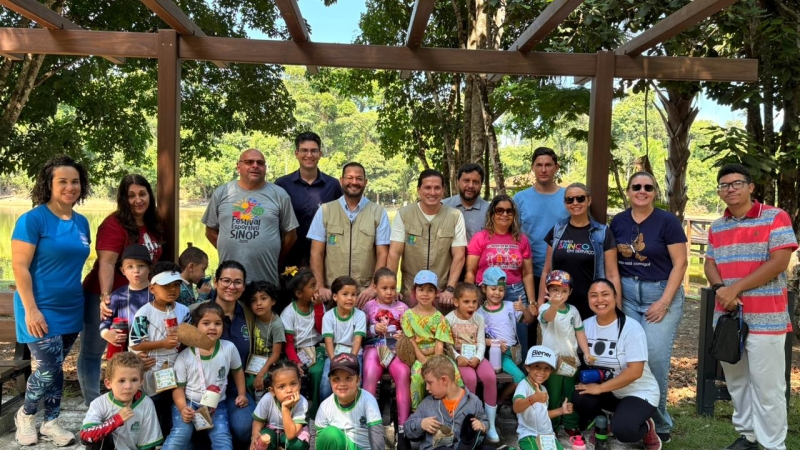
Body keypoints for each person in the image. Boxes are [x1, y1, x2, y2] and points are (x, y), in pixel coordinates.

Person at [704, 164, 797, 450]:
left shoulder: (775, 217)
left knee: (768, 388)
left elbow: (779, 262)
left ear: (750, 187)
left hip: (767, 318)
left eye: (736, 183)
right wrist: (721, 290)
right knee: (737, 382)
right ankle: (748, 436)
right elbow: (710, 263)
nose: (730, 189)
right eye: (724, 185)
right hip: (729, 317)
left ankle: (772, 445)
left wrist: (736, 288)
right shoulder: (718, 226)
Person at [12, 155, 92, 446]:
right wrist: (31, 310)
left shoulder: (82, 223)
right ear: (49, 184)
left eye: (75, 181)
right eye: (63, 181)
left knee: (56, 366)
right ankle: (26, 415)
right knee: (46, 368)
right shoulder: (32, 220)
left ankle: (51, 422)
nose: (70, 187)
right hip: (38, 307)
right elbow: (20, 267)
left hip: (72, 306)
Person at [610, 171, 688, 443]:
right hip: (629, 294)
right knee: (627, 357)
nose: (642, 191)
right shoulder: (618, 222)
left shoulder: (667, 221)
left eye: (648, 187)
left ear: (655, 192)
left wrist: (664, 302)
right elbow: (613, 266)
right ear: (629, 192)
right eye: (636, 187)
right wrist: (617, 303)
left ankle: (661, 421)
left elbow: (681, 263)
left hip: (660, 292)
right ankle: (632, 414)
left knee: (654, 358)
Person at [81, 174, 163, 405]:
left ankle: (135, 401)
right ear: (123, 199)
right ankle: (94, 403)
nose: (138, 200)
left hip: (139, 297)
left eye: (142, 194)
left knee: (132, 349)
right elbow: (107, 263)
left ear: (150, 195)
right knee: (94, 350)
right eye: (131, 195)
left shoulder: (154, 224)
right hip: (107, 295)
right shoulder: (113, 225)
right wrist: (105, 298)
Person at [571, 279, 661, 450]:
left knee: (625, 431)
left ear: (615, 296)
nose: (600, 300)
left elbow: (635, 372)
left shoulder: (631, 328)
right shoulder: (585, 326)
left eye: (605, 294)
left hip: (638, 392)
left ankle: (647, 426)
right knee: (579, 397)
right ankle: (604, 421)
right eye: (594, 295)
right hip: (610, 391)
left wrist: (598, 389)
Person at [202, 148, 299, 286]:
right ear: (238, 167)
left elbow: (291, 235)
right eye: (249, 162)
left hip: (266, 279)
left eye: (260, 163)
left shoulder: (279, 195)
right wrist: (231, 249)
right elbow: (210, 232)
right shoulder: (222, 192)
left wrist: (275, 257)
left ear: (265, 168)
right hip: (230, 281)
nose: (255, 166)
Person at [162, 302, 247, 450]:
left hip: (216, 405)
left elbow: (237, 371)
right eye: (206, 323)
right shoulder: (185, 356)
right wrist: (182, 408)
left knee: (222, 439)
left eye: (218, 323)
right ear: (195, 326)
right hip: (189, 403)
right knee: (180, 435)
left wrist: (242, 394)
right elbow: (178, 388)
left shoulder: (228, 348)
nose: (212, 327)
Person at [307, 162, 390, 305]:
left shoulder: (378, 213)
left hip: (364, 295)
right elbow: (316, 253)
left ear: (365, 182)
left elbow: (383, 254)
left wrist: (373, 287)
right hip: (333, 293)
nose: (354, 182)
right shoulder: (325, 211)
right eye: (349, 178)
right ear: (341, 180)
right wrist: (320, 287)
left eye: (359, 178)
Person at [514, 147, 569, 349]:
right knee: (529, 326)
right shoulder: (520, 199)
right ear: (533, 168)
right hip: (528, 273)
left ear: (556, 167)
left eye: (548, 165)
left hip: (560, 274)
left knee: (558, 326)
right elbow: (514, 235)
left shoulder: (568, 197)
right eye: (539, 165)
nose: (543, 169)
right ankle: (530, 374)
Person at [466, 194, 536, 352]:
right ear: (492, 213)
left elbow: (528, 273)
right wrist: (470, 297)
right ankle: (489, 373)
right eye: (499, 210)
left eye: (509, 211)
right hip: (485, 291)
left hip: (514, 291)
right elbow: (471, 271)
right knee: (484, 334)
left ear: (514, 215)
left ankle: (520, 372)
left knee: (519, 337)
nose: (505, 214)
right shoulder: (480, 238)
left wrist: (531, 303)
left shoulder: (521, 239)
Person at [540, 182, 621, 320]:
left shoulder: (602, 233)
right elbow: (547, 271)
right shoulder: (557, 231)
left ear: (589, 200)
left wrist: (617, 311)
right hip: (559, 305)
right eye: (570, 199)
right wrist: (541, 304)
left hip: (592, 305)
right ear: (565, 203)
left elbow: (612, 275)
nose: (575, 203)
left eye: (580, 198)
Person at [388, 169, 467, 307]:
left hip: (441, 295)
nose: (432, 192)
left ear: (443, 190)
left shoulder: (455, 216)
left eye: (437, 188)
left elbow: (459, 255)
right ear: (419, 190)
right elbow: (394, 253)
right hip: (410, 293)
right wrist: (391, 288)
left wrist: (450, 289)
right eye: (427, 188)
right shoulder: (404, 214)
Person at [129, 262, 191, 437]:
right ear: (152, 288)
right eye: (166, 286)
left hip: (178, 369)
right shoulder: (144, 313)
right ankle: (152, 440)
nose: (172, 290)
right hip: (154, 368)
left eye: (176, 285)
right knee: (155, 406)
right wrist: (162, 344)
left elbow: (188, 339)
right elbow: (136, 343)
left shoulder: (183, 311)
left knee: (174, 407)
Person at [276, 132, 343, 269]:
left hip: (324, 260)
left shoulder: (333, 185)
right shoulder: (282, 185)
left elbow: (341, 222)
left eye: (314, 151)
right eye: (304, 150)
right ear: (296, 153)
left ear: (320, 154)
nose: (309, 155)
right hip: (289, 259)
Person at [360, 268, 412, 448]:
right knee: (370, 373)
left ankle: (403, 429)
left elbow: (409, 333)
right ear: (375, 287)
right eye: (384, 288)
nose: (389, 292)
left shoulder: (403, 308)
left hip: (395, 350)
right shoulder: (369, 307)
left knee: (404, 372)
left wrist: (402, 336)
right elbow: (361, 332)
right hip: (374, 348)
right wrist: (374, 329)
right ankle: (369, 426)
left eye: (392, 288)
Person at [209, 260, 258, 446]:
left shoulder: (250, 314)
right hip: (204, 387)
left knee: (244, 427)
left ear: (244, 286)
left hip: (237, 388)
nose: (231, 286)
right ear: (216, 282)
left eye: (238, 282)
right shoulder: (199, 314)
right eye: (226, 281)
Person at [538, 270, 592, 437]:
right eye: (555, 290)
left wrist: (586, 352)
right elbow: (548, 317)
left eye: (563, 291)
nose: (559, 295)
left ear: (570, 292)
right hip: (551, 362)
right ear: (547, 290)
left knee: (570, 393)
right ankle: (552, 424)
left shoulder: (573, 311)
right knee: (553, 394)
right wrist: (553, 304)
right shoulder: (545, 308)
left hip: (570, 361)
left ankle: (570, 423)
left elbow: (580, 332)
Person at [445, 283, 498, 443]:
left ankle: (490, 424)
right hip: (459, 358)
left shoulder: (479, 318)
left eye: (474, 302)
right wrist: (457, 357)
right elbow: (447, 344)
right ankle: (469, 421)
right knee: (470, 380)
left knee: (489, 377)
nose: (471, 305)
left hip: (476, 356)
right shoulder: (448, 319)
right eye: (466, 302)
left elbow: (481, 342)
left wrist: (478, 357)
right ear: (456, 302)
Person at [79, 352, 164, 450]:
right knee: (96, 439)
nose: (128, 386)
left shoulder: (146, 403)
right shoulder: (99, 403)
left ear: (141, 381)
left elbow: (148, 444)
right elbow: (85, 437)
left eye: (134, 380)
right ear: (108, 383)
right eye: (122, 381)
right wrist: (116, 420)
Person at [404, 355, 491, 450]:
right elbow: (407, 428)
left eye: (430, 383)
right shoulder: (427, 403)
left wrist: (482, 426)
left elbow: (484, 422)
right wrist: (421, 424)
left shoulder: (473, 401)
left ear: (444, 380)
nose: (427, 388)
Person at [477, 267, 534, 406]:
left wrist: (524, 309)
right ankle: (499, 400)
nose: (497, 293)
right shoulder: (479, 313)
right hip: (498, 354)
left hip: (515, 351)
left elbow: (529, 320)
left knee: (522, 376)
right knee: (520, 378)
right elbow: (475, 337)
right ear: (484, 289)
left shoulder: (510, 306)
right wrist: (492, 342)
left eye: (501, 290)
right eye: (493, 289)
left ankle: (503, 399)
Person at [401, 270, 457, 410]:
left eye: (430, 290)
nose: (425, 294)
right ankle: (417, 412)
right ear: (415, 292)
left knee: (452, 374)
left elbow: (439, 345)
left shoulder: (440, 318)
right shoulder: (407, 317)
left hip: (438, 358)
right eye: (421, 289)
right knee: (418, 377)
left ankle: (450, 409)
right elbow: (412, 343)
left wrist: (435, 365)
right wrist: (425, 362)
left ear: (436, 294)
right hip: (418, 358)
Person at [279, 267, 325, 418]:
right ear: (299, 294)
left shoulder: (317, 305)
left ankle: (316, 408)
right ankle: (294, 408)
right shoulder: (289, 313)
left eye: (315, 284)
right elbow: (289, 343)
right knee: (292, 372)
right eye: (312, 287)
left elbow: (321, 330)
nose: (316, 289)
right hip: (296, 350)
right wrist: (296, 361)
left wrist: (318, 308)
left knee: (317, 371)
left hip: (316, 348)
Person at [314, 353, 385, 450]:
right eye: (336, 379)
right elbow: (321, 441)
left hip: (363, 448)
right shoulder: (325, 406)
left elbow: (377, 436)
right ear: (330, 381)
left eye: (348, 378)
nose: (342, 384)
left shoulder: (368, 400)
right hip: (340, 446)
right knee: (330, 434)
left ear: (358, 380)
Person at [513, 345, 572, 450]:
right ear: (527, 367)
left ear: (551, 372)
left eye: (546, 368)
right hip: (529, 435)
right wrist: (533, 398)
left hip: (547, 434)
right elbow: (516, 407)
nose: (542, 372)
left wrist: (561, 410)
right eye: (537, 366)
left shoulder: (543, 389)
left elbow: (543, 415)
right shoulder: (523, 386)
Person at [100, 244, 153, 359]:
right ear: (122, 270)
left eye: (141, 266)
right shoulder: (117, 296)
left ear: (150, 268)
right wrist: (106, 334)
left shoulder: (157, 293)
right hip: (124, 353)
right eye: (130, 267)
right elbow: (105, 320)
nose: (136, 271)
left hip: (152, 351)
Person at [319, 276, 367, 401]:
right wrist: (333, 360)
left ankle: (353, 409)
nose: (350, 298)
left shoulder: (360, 315)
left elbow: (357, 340)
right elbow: (328, 341)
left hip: (355, 354)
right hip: (334, 354)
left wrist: (352, 359)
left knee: (356, 380)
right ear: (335, 297)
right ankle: (324, 411)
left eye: (353, 294)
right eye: (345, 294)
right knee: (326, 380)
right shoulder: (328, 317)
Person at [251, 360, 311, 450]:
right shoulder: (267, 399)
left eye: (293, 384)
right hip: (272, 430)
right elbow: (258, 421)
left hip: (293, 432)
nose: (289, 390)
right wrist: (255, 433)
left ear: (299, 383)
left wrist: (285, 408)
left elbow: (291, 434)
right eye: (282, 387)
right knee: (260, 442)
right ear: (272, 390)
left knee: (298, 445)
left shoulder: (302, 402)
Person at [243, 281, 286, 398]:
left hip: (270, 362)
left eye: (263, 298)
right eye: (254, 300)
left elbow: (276, 354)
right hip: (254, 362)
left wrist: (261, 373)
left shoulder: (276, 325)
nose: (258, 303)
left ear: (273, 301)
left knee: (261, 381)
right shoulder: (252, 317)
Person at [442, 163, 490, 242]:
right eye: (466, 181)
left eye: (475, 182)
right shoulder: (443, 206)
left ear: (481, 185)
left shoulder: (490, 211)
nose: (470, 185)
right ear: (458, 182)